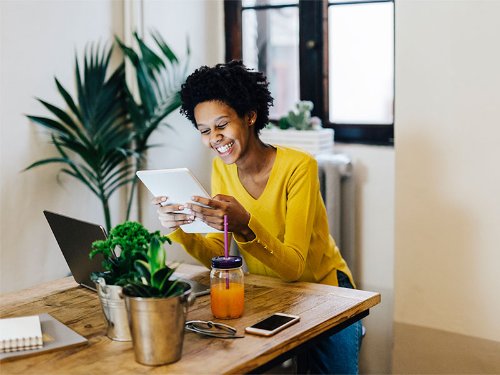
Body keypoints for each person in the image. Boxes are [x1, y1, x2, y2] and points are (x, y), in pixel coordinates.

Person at [153, 60, 362, 374]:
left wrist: (245, 225)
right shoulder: (221, 170)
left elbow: (294, 267)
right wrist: (181, 229)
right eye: (205, 131)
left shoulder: (299, 167)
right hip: (271, 291)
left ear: (250, 116)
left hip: (327, 289)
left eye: (222, 125)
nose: (215, 138)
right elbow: (217, 253)